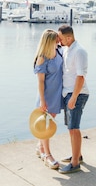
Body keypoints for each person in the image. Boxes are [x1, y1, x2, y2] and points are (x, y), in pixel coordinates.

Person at [57, 24, 89, 174]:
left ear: (69, 38)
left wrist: (74, 97)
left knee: (74, 129)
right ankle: (77, 155)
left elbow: (81, 77)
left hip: (77, 94)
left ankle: (75, 163)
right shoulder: (66, 49)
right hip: (67, 93)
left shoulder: (79, 51)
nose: (59, 41)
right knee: (70, 129)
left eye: (61, 38)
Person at [33, 29, 63, 170]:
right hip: (46, 95)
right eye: (56, 39)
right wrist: (43, 101)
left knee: (49, 124)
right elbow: (40, 82)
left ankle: (40, 147)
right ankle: (47, 155)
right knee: (47, 126)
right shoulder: (42, 58)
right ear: (49, 40)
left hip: (57, 94)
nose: (59, 40)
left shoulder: (59, 52)